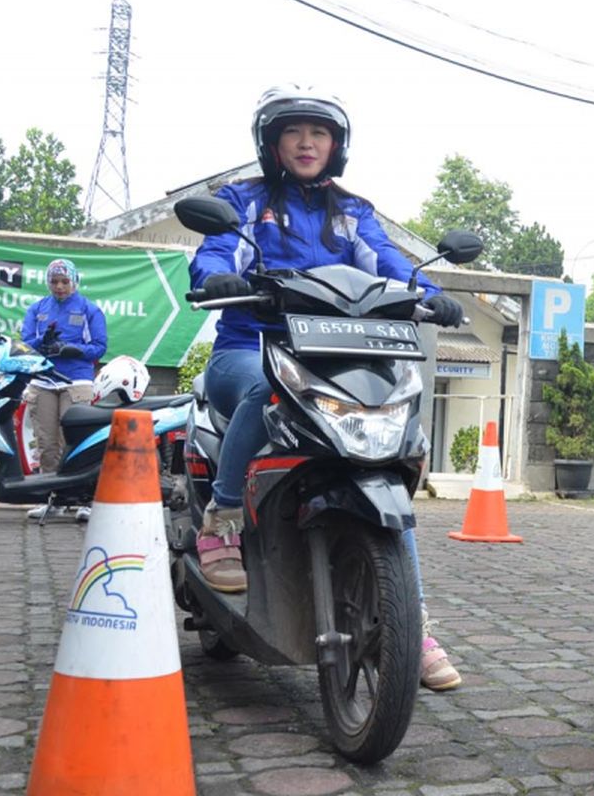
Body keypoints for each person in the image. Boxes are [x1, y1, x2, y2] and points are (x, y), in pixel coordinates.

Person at [189, 83, 465, 690]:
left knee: (386, 465)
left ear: (337, 145)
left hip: (336, 356)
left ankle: (408, 621)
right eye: (294, 131)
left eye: (320, 133)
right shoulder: (243, 201)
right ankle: (224, 516)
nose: (307, 142)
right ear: (272, 143)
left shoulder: (353, 211)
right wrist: (213, 278)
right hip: (250, 348)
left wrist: (429, 295)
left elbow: (388, 263)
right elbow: (218, 251)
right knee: (269, 390)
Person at [21, 258, 108, 521]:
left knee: (77, 443)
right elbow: (26, 343)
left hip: (76, 382)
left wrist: (73, 350)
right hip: (44, 381)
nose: (59, 287)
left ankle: (85, 499)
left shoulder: (89, 309)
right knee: (47, 443)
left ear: (74, 281)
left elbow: (100, 346)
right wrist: (42, 342)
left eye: (64, 282)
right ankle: (53, 498)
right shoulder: (37, 309)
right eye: (54, 282)